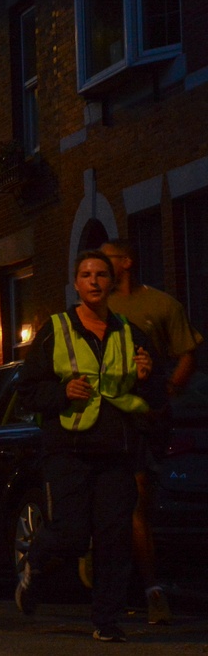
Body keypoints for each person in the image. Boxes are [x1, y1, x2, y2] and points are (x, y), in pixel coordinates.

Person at [16, 250, 165, 643]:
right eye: (86, 274)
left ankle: (106, 620)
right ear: (76, 284)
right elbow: (27, 391)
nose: (95, 281)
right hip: (68, 450)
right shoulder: (56, 329)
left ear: (112, 282)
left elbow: (154, 392)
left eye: (102, 274)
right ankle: (34, 563)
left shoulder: (130, 333)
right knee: (71, 533)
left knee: (114, 536)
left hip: (117, 451)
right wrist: (62, 391)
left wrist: (147, 377)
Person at [101, 238, 203, 625]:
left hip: (145, 419)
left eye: (106, 261)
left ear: (125, 262)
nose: (100, 269)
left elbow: (188, 352)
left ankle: (148, 586)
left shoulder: (160, 305)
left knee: (138, 501)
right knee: (116, 503)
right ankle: (123, 581)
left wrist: (169, 391)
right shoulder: (98, 309)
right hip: (105, 418)